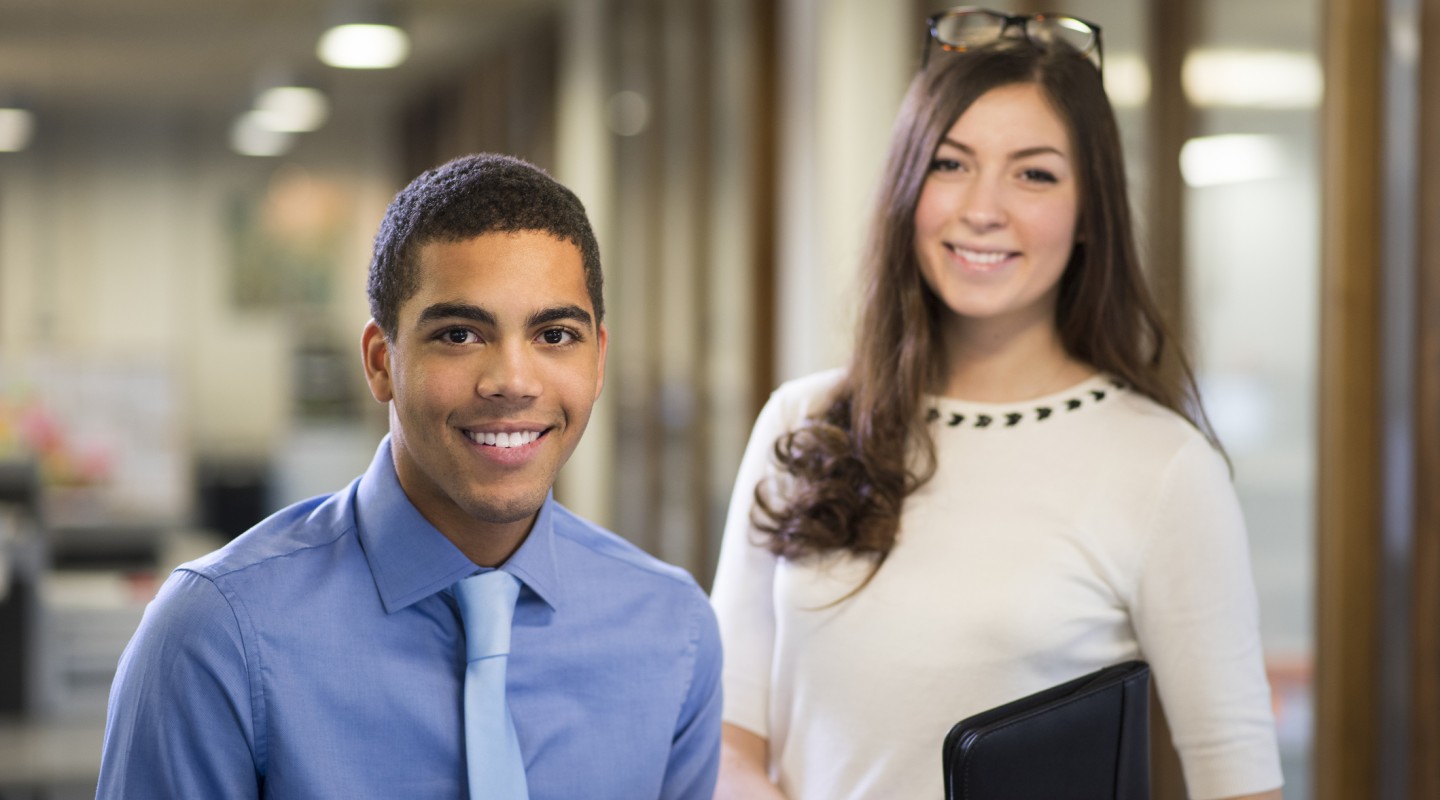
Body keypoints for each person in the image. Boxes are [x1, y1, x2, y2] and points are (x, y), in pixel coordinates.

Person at [709, 9, 1283, 800]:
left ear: (1090, 215)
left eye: (1034, 173)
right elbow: (729, 735)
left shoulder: (1164, 468)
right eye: (950, 164)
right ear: (908, 186)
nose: (983, 207)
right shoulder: (800, 423)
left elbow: (1238, 781)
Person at [96, 153, 723, 799]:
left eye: (555, 334)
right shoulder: (217, 633)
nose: (512, 380)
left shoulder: (673, 631)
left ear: (598, 361)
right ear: (380, 362)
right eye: (459, 334)